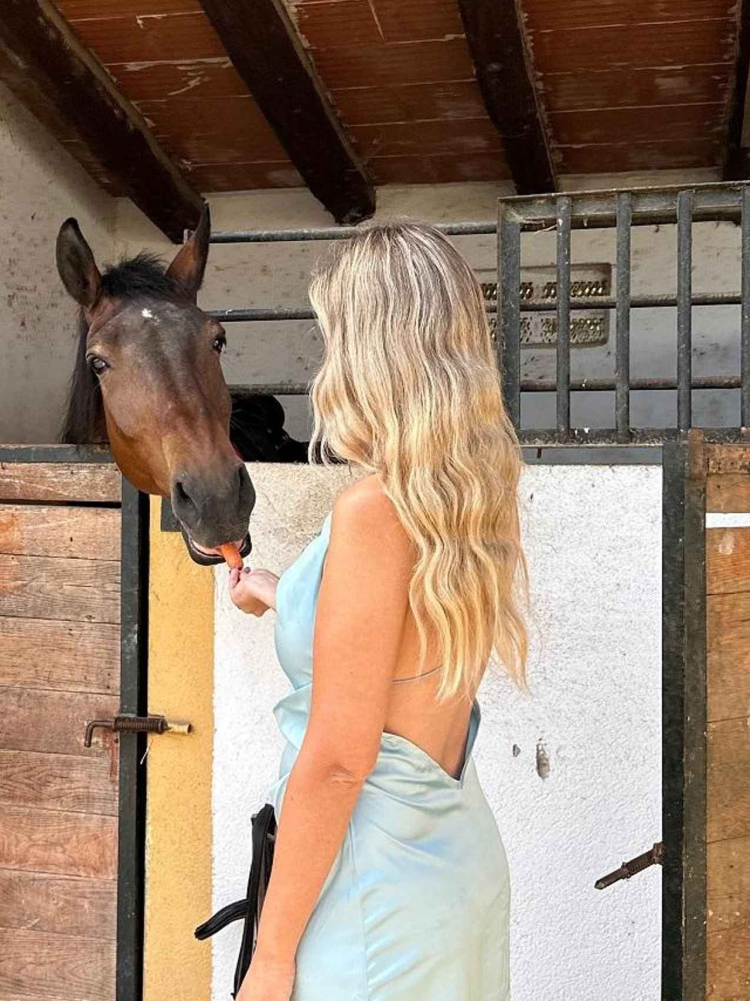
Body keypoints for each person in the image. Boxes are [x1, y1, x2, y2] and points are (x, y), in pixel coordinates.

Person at [226, 221, 529, 1001]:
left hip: (373, 895)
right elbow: (398, 645)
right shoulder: (469, 495)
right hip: (452, 872)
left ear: (373, 351)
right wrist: (282, 590)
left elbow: (338, 761)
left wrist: (272, 954)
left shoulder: (372, 511)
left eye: (337, 337)